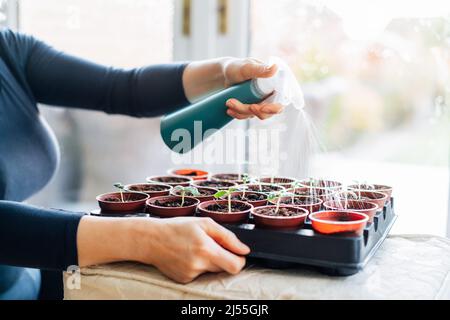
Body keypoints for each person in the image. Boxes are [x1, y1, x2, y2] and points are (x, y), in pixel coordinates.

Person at [0, 29, 284, 299]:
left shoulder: (8, 49)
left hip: (30, 277)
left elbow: (123, 88)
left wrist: (226, 72)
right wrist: (145, 239)